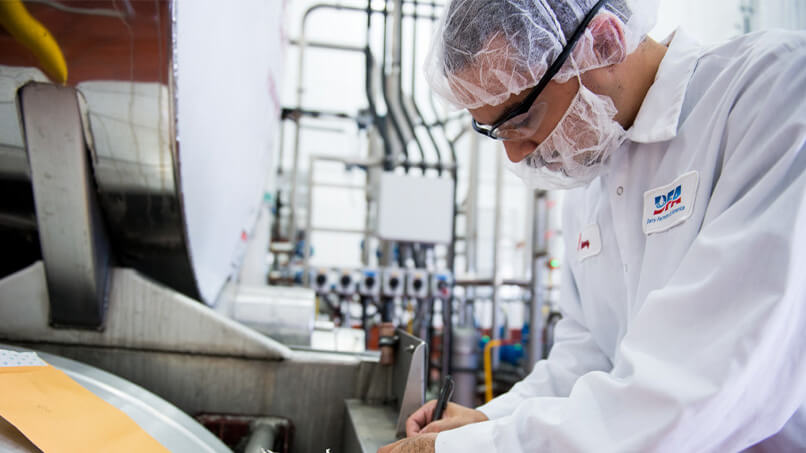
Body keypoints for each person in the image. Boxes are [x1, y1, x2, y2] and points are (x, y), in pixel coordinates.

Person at [378, 0, 806, 451]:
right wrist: (489, 419)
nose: (517, 155)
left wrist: (458, 450)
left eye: (522, 120)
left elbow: (706, 383)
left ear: (602, 42)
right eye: (497, 134)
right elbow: (588, 361)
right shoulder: (590, 174)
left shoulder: (773, 93)